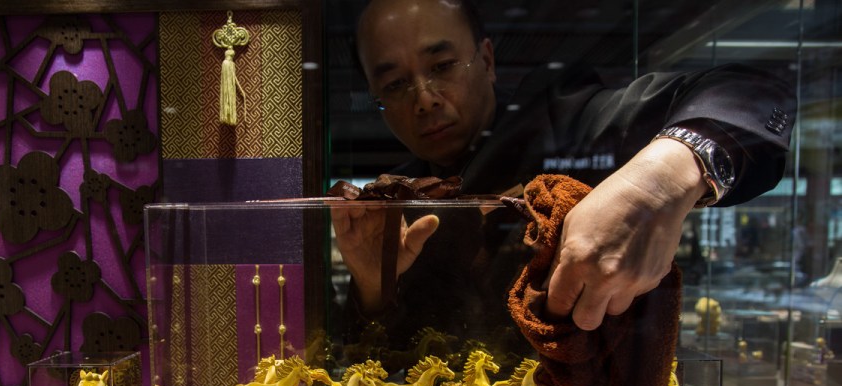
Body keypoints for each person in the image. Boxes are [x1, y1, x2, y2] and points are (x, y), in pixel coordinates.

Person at [332, 0, 795, 347]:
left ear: (488, 61)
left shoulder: (571, 121)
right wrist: (374, 292)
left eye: (443, 65)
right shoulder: (398, 197)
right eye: (394, 84)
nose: (425, 98)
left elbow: (750, 93)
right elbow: (373, 360)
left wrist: (659, 181)